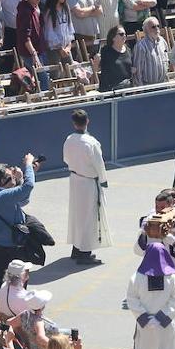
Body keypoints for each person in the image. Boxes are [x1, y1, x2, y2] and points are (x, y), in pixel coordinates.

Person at [0, 155, 39, 291]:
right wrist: (28, 165)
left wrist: (20, 179)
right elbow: (29, 186)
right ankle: (13, 300)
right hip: (9, 246)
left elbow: (23, 199)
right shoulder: (2, 196)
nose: (13, 177)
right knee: (17, 278)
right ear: (3, 180)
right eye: (10, 176)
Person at [63, 109, 110, 265]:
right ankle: (84, 253)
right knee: (89, 217)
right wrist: (103, 180)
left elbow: (66, 159)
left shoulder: (69, 139)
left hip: (75, 180)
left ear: (74, 123)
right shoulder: (91, 142)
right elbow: (99, 164)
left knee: (77, 215)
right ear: (87, 121)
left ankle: (77, 248)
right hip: (89, 183)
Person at [128, 242, 175, 349]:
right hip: (166, 325)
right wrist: (160, 318)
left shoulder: (136, 278)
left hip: (146, 326)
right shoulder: (174, 278)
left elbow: (132, 299)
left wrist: (145, 318)